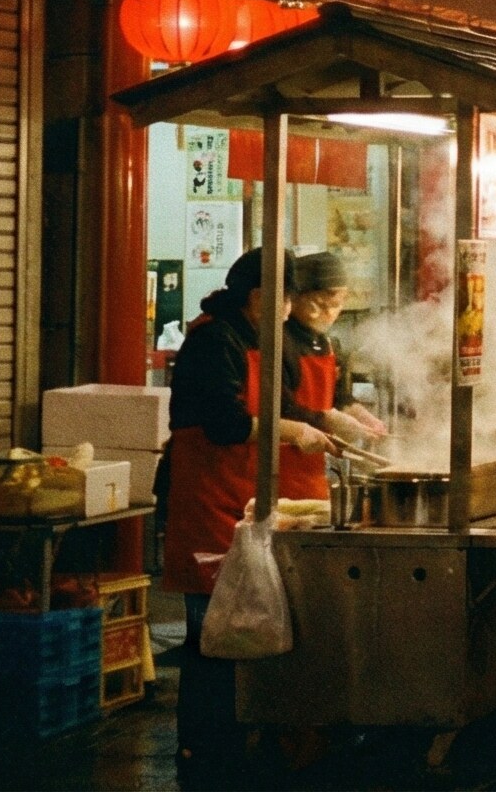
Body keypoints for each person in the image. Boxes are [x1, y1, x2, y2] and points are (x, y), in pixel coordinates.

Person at [162, 250, 377, 773]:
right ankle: (203, 747)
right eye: (287, 298)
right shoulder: (216, 340)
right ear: (261, 297)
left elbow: (280, 403)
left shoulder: (256, 336)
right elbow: (225, 423)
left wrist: (325, 420)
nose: (291, 309)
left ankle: (249, 734)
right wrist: (294, 430)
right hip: (211, 501)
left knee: (251, 624)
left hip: (249, 499)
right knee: (211, 631)